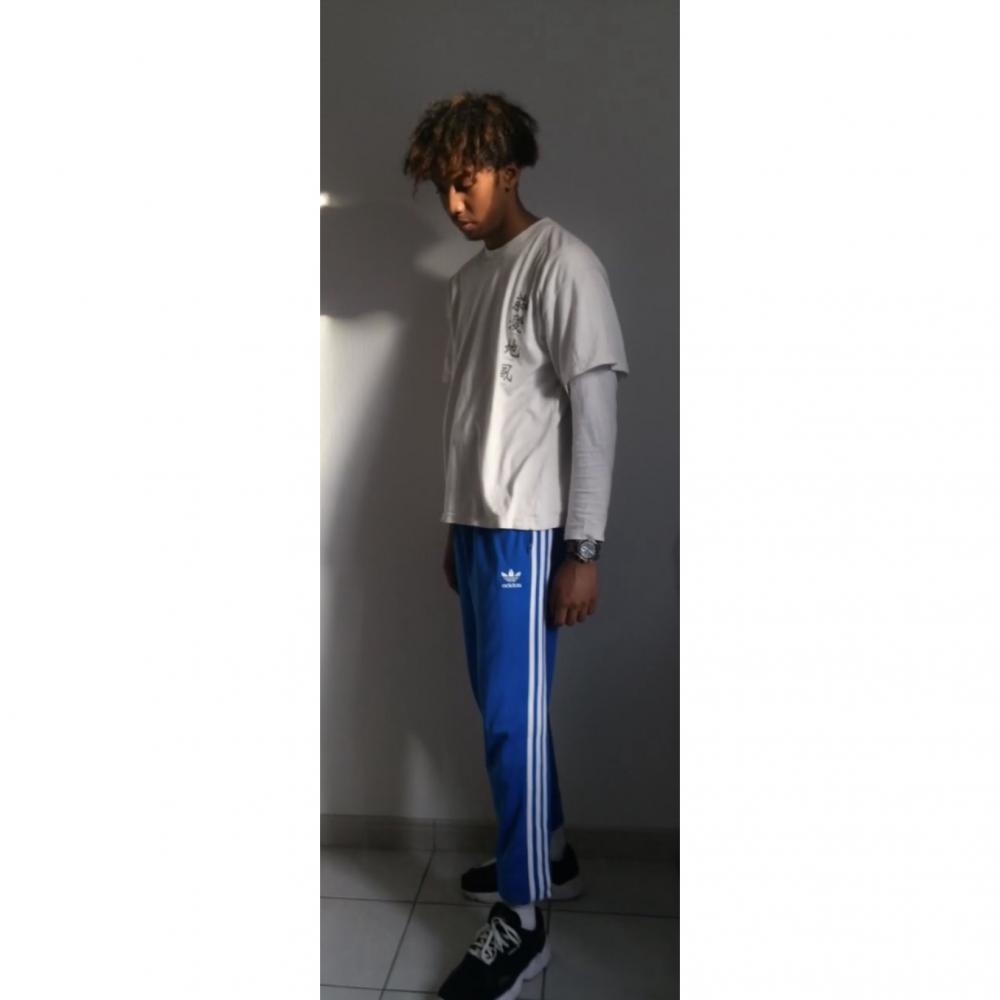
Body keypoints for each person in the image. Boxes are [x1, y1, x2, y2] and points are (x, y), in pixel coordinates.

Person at [402, 90, 629, 1000]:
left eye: (466, 182)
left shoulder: (565, 263)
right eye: (442, 189)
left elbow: (596, 414)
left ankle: (525, 921)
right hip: (477, 527)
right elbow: (474, 419)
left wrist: (585, 549)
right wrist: (452, 524)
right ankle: (551, 853)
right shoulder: (468, 283)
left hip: (529, 535)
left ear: (511, 168)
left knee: (510, 722)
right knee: (509, 717)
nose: (454, 203)